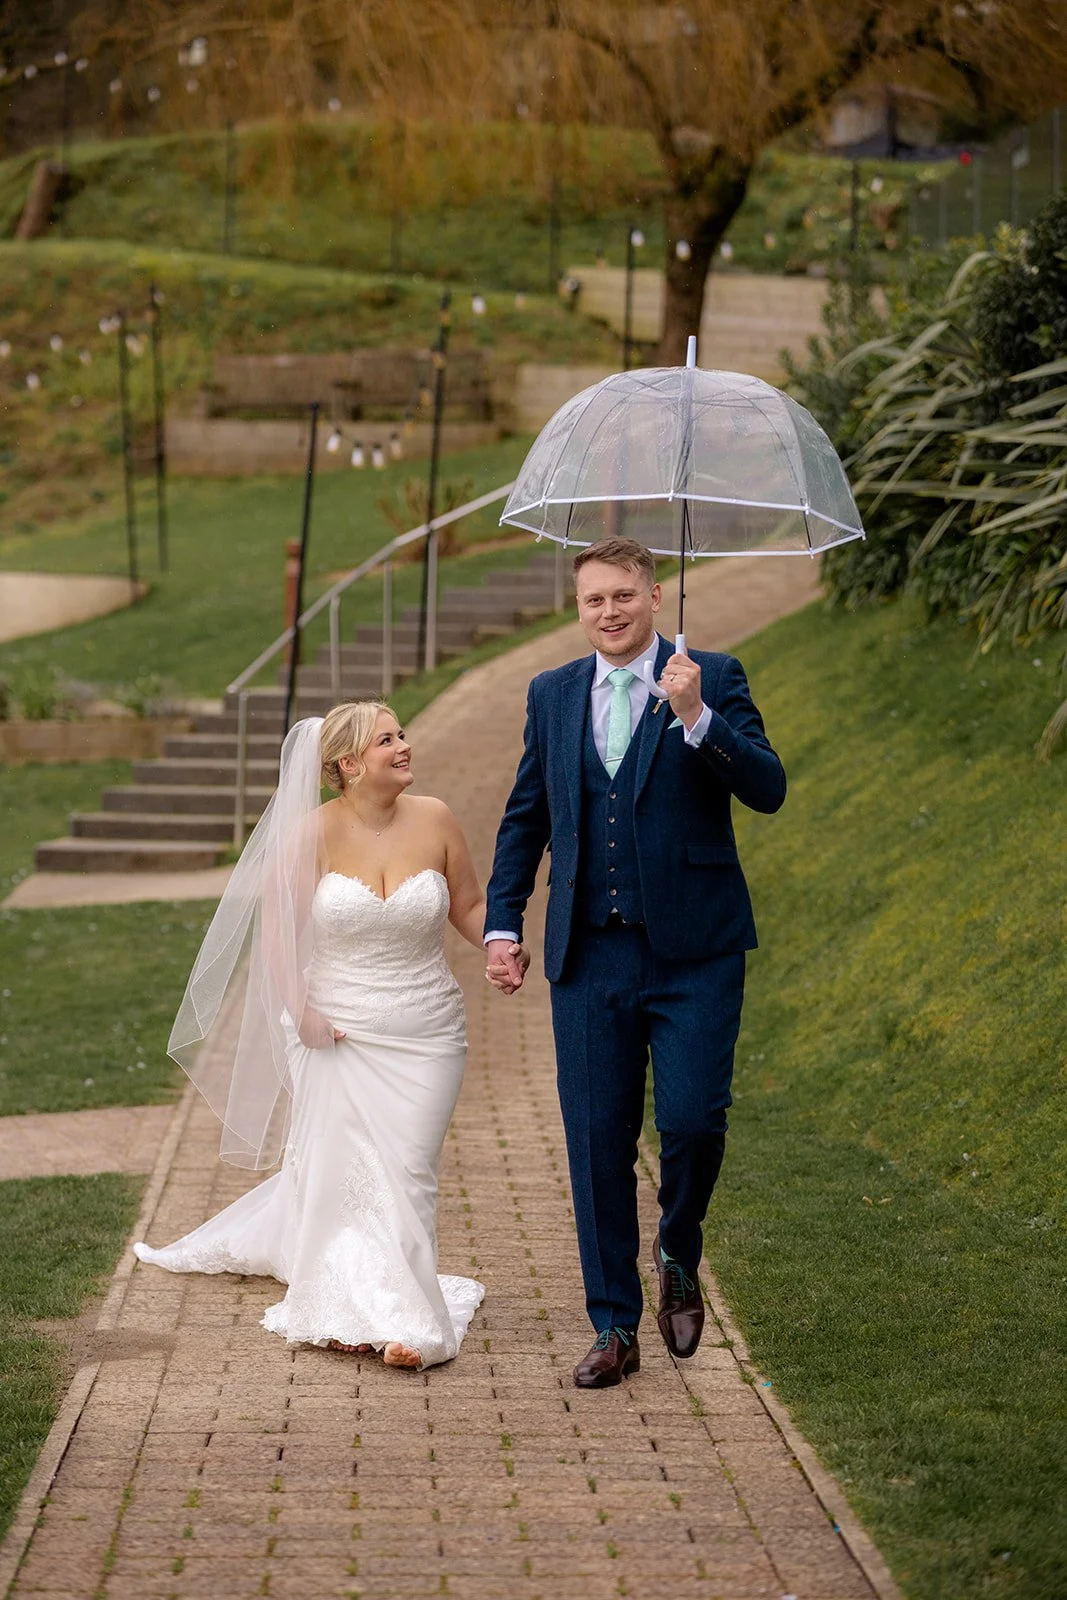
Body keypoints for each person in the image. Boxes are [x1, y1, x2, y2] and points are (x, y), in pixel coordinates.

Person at [484, 537, 785, 1388]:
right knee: (595, 1143)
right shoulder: (550, 694)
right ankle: (614, 1325)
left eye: (623, 595)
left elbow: (768, 788)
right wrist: (502, 922)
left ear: (656, 595)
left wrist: (696, 718)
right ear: (577, 609)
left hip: (695, 953)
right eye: (593, 601)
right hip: (589, 957)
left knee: (691, 1123)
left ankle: (678, 1251)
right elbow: (524, 819)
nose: (609, 612)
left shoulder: (711, 677)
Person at [135, 701, 498, 1371]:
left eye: (402, 734)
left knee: (408, 1170)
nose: (404, 746)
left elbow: (471, 903)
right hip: (336, 1026)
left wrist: (501, 946)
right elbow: (277, 932)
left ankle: (398, 1305)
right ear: (349, 764)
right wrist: (301, 1011)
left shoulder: (437, 818)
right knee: (347, 1177)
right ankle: (397, 1321)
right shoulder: (310, 833)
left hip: (426, 1030)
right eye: (388, 739)